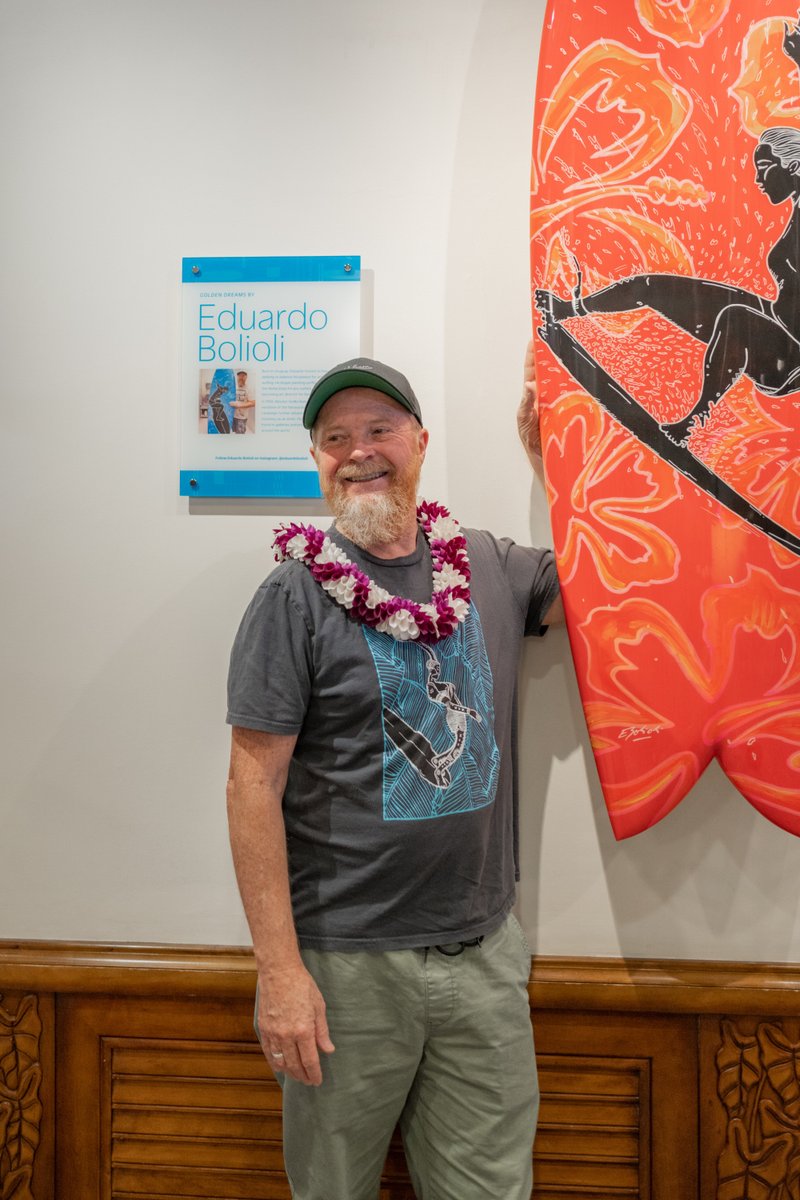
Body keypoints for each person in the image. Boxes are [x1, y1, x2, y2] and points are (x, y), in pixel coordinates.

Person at [226, 354, 561, 1200]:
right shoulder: (294, 596)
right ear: (317, 461)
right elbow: (251, 787)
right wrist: (280, 974)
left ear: (418, 442)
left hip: (483, 953)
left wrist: (547, 463)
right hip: (345, 970)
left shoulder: (486, 563)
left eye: (379, 430)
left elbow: (601, 582)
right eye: (335, 438)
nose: (359, 451)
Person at [536, 127, 800, 445]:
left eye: (765, 168)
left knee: (736, 318)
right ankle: (571, 308)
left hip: (789, 359)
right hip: (775, 322)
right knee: (658, 288)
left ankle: (693, 422)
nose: (758, 179)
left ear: (793, 167)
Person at [231, 369, 256, 434]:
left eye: (243, 376)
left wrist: (239, 405)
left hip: (241, 417)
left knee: (240, 434)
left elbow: (253, 403)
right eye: (239, 376)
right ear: (237, 377)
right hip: (231, 416)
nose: (241, 378)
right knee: (234, 432)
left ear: (246, 377)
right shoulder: (233, 387)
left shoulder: (249, 388)